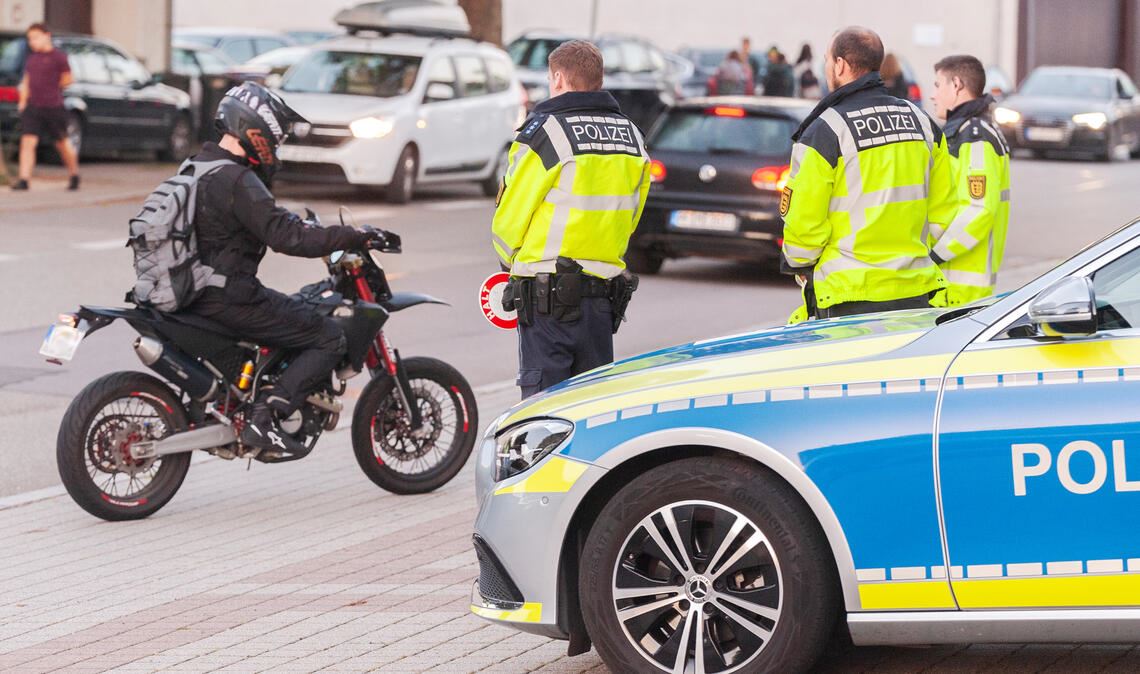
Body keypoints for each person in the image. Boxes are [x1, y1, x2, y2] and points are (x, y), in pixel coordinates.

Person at [184, 82, 382, 453]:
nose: (276, 147)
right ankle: (266, 415)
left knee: (289, 314)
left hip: (190, 293)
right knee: (327, 335)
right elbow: (290, 239)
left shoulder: (196, 167)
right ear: (258, 130)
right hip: (229, 297)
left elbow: (250, 221)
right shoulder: (238, 180)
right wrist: (352, 236)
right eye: (277, 137)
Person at [491, 40, 650, 398]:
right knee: (589, 410)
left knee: (543, 416)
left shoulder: (546, 134)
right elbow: (632, 215)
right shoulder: (632, 137)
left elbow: (509, 221)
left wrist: (511, 263)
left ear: (559, 78)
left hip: (547, 304)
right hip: (603, 300)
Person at [780, 26, 956, 322]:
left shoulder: (826, 130)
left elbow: (804, 227)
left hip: (848, 296)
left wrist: (800, 265)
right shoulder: (921, 122)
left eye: (827, 60)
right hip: (914, 291)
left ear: (840, 65)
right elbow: (945, 214)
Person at [928, 54, 1011, 307]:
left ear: (957, 85)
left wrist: (933, 256)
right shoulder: (969, 131)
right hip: (954, 285)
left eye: (937, 85)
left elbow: (978, 211)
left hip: (957, 289)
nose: (933, 95)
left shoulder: (974, 137)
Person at [13, 23, 79, 191]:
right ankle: (24, 179)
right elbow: (27, 81)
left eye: (35, 37)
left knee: (62, 144)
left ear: (46, 35)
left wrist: (55, 86)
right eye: (30, 39)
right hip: (33, 107)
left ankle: (74, 174)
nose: (32, 42)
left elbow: (68, 78)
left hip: (53, 107)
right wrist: (22, 101)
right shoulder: (32, 59)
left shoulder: (59, 57)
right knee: (28, 142)